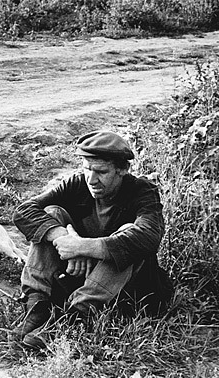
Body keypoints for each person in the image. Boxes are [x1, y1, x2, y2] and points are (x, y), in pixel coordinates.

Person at [11, 130, 173, 349]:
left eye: (101, 171)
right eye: (87, 169)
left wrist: (84, 247)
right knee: (51, 214)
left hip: (127, 291)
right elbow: (24, 211)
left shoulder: (142, 192)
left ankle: (72, 321)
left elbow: (149, 236)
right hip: (79, 274)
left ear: (122, 170)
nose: (91, 179)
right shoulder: (77, 185)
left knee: (129, 232)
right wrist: (64, 237)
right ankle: (37, 308)